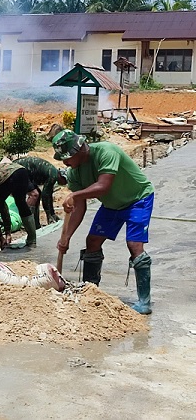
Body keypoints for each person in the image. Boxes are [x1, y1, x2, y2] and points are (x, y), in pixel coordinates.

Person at [52, 129, 154, 315]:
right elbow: (79, 207)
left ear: (79, 150)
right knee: (92, 241)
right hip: (112, 204)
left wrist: (75, 195)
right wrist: (66, 237)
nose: (65, 163)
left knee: (134, 245)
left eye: (67, 158)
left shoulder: (106, 152)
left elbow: (103, 186)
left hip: (137, 199)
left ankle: (144, 302)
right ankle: (91, 290)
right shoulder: (74, 173)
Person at [14, 156, 67, 228]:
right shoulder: (53, 175)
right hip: (19, 169)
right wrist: (49, 215)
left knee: (37, 193)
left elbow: (49, 195)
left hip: (25, 171)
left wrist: (52, 213)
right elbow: (45, 196)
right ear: (62, 177)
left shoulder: (53, 173)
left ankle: (35, 224)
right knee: (34, 194)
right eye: (65, 181)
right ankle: (26, 220)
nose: (65, 184)